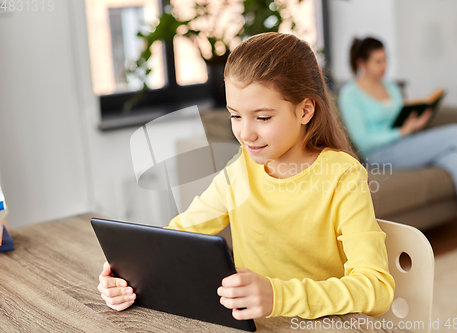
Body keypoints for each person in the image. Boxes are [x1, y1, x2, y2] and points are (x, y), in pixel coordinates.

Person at [97, 32, 395, 320]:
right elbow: (181, 235)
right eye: (235, 116)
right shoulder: (243, 168)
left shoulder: (342, 174)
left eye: (263, 117)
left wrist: (278, 296)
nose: (245, 133)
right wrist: (130, 274)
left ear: (305, 110)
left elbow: (377, 288)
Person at [338, 37, 457, 257]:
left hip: (406, 146)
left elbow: (401, 120)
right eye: (378, 61)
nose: (384, 66)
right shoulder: (351, 94)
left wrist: (415, 125)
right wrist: (401, 132)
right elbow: (363, 142)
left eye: (385, 59)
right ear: (361, 64)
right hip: (378, 154)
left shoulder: (391, 87)